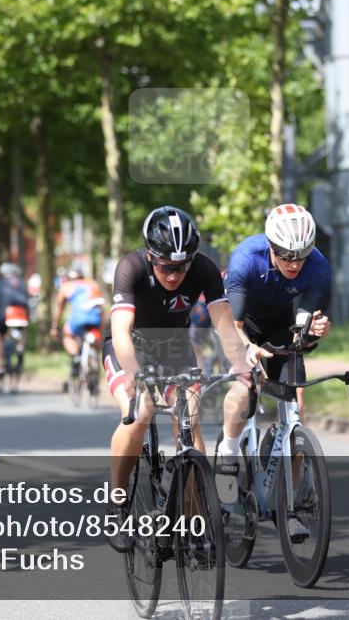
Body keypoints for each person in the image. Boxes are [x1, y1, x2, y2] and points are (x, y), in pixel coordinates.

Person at [104, 206, 251, 552]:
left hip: (174, 348)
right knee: (139, 412)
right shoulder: (131, 267)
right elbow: (121, 331)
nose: (174, 274)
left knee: (190, 424)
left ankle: (193, 519)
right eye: (166, 266)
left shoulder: (204, 269)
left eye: (181, 267)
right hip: (131, 348)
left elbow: (224, 324)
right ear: (150, 255)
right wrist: (131, 372)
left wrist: (240, 365)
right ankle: (117, 503)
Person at [216, 204, 333, 537]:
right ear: (271, 247)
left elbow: (303, 330)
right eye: (286, 256)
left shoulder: (319, 267)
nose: (295, 264)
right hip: (242, 326)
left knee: (296, 410)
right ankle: (227, 454)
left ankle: (289, 505)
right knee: (244, 392)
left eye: (301, 256)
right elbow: (232, 324)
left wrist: (315, 331)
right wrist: (248, 350)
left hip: (281, 325)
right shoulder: (246, 259)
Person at [51, 266, 105, 385]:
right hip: (96, 319)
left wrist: (55, 326)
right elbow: (102, 308)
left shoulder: (66, 287)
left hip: (78, 319)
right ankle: (93, 366)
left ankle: (76, 357)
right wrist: (102, 327)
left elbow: (59, 309)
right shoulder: (93, 285)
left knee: (67, 334)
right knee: (95, 340)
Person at [0, 262, 30, 382]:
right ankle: (21, 346)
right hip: (21, 314)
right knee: (24, 331)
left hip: (6, 314)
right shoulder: (22, 283)